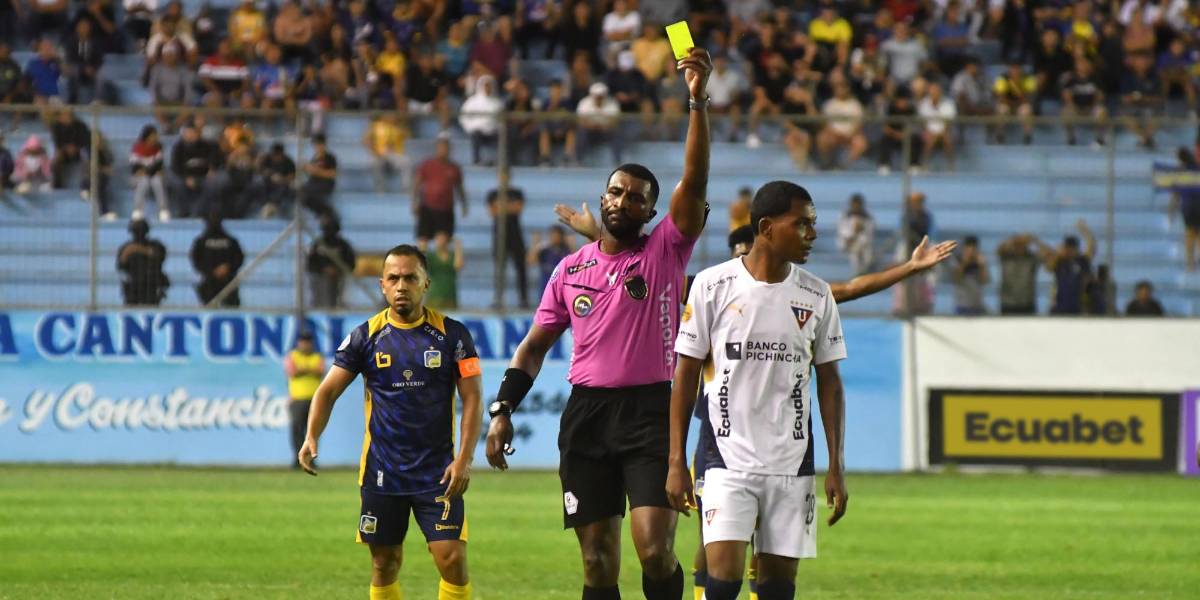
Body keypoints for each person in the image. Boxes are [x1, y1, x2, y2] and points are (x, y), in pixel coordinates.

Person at [484, 47, 713, 600]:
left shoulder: (665, 252)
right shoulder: (571, 269)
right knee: (595, 563)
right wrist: (502, 409)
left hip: (652, 413)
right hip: (587, 416)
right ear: (603, 197)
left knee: (655, 552)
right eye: (615, 190)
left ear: (652, 214)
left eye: (637, 197)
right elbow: (534, 347)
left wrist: (697, 100)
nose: (622, 200)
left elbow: (694, 178)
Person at [665, 181, 848, 600]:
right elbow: (685, 374)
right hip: (725, 461)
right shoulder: (712, 286)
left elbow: (831, 384)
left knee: (778, 590)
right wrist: (676, 460)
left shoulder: (817, 294)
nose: (812, 234)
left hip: (792, 464)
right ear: (766, 227)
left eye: (813, 224)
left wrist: (836, 463)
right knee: (723, 585)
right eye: (801, 224)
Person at [298, 245, 483, 600]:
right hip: (383, 472)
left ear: (425, 282)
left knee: (452, 558)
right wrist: (311, 437)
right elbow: (326, 391)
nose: (402, 286)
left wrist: (464, 459)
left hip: (438, 472)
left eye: (410, 278)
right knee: (384, 562)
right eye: (394, 278)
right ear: (382, 284)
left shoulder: (454, 336)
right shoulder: (365, 336)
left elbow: (472, 398)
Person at [413, 136, 467, 247]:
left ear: (450, 150)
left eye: (446, 148)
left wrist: (464, 204)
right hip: (427, 207)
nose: (443, 150)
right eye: (441, 148)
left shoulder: (454, 168)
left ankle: (438, 264)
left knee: (442, 243)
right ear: (436, 149)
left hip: (445, 209)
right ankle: (422, 263)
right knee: (422, 242)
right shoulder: (427, 165)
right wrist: (415, 202)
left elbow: (459, 187)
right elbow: (417, 184)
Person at [487, 169, 529, 309]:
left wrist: (501, 206)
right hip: (499, 235)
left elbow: (518, 209)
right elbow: (493, 212)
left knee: (521, 268)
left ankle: (523, 299)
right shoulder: (493, 194)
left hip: (515, 234)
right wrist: (508, 207)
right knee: (500, 269)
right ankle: (498, 299)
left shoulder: (517, 193)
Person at [283, 330, 324, 469]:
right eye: (303, 342)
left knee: (312, 431)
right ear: (299, 343)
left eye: (308, 342)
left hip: (314, 400)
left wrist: (303, 369)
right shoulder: (292, 356)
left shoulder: (317, 357)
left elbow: (320, 371)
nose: (305, 345)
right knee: (296, 430)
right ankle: (297, 459)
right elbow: (293, 372)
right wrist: (309, 370)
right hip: (297, 399)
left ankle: (311, 459)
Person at [190, 211, 244, 307]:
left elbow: (239, 257)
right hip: (209, 281)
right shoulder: (202, 241)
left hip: (227, 279)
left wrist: (227, 268)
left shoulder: (230, 240)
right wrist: (211, 271)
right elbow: (195, 258)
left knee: (230, 306)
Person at [1045, 220, 1096, 315]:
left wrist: (1085, 231)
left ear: (1076, 248)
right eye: (1067, 247)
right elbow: (1048, 267)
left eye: (1072, 248)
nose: (1069, 250)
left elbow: (1092, 248)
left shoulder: (1081, 261)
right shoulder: (1059, 261)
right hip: (1059, 306)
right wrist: (1057, 253)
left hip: (1076, 306)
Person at [306, 216, 357, 309]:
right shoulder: (317, 244)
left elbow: (351, 263)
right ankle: (318, 306)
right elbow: (310, 264)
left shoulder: (343, 245)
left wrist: (337, 271)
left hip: (339, 279)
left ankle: (339, 305)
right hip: (320, 279)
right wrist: (324, 269)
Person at [116, 218, 169, 306]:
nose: (138, 234)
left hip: (151, 285)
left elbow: (159, 257)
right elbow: (120, 266)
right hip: (133, 286)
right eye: (135, 231)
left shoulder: (156, 245)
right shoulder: (126, 248)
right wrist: (126, 254)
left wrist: (138, 249)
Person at [996, 233, 1053, 315]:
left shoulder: (1032, 258)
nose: (1020, 247)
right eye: (1018, 245)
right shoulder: (1006, 257)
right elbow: (999, 249)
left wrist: (1035, 241)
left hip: (1027, 303)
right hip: (1008, 303)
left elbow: (1049, 254)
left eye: (1022, 245)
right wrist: (1013, 239)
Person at [130, 125, 171, 223]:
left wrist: (149, 171)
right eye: (153, 135)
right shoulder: (137, 148)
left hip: (153, 175)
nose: (155, 137)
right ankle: (137, 210)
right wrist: (144, 171)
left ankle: (163, 210)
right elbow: (135, 167)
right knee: (143, 181)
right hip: (138, 176)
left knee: (157, 181)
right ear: (147, 136)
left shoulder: (158, 148)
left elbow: (159, 165)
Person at [364, 112, 409, 193]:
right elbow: (366, 141)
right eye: (389, 114)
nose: (391, 116)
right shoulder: (376, 126)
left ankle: (406, 190)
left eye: (393, 114)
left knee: (406, 161)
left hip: (396, 155)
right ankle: (380, 191)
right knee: (374, 163)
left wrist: (401, 123)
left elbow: (408, 136)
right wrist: (374, 152)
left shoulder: (400, 127)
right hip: (380, 154)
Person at [529, 224, 576, 295]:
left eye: (557, 235)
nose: (555, 238)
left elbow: (576, 264)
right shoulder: (544, 251)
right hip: (545, 288)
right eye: (552, 235)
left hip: (562, 288)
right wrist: (535, 244)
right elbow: (530, 261)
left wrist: (572, 245)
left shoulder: (566, 251)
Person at [300, 133, 338, 219]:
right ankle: (322, 213)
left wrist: (315, 171)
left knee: (308, 194)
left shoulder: (330, 157)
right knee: (300, 193)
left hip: (325, 184)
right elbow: (311, 174)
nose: (317, 147)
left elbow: (332, 174)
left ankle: (327, 212)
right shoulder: (314, 158)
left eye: (319, 144)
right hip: (313, 183)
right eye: (315, 144)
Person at [837, 193, 875, 275]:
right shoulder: (845, 217)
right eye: (854, 205)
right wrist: (853, 232)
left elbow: (868, 237)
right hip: (847, 248)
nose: (856, 207)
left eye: (858, 205)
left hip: (863, 250)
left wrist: (858, 231)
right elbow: (842, 233)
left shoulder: (867, 218)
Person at [951, 235, 990, 315]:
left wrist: (982, 266)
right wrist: (965, 262)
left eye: (974, 248)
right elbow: (957, 278)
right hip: (962, 306)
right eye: (968, 247)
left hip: (977, 306)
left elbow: (984, 280)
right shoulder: (958, 261)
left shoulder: (980, 262)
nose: (971, 251)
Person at [425, 233, 463, 311]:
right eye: (438, 239)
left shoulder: (452, 255)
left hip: (450, 294)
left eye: (443, 238)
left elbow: (458, 266)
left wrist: (458, 247)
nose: (441, 241)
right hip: (434, 294)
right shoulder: (431, 256)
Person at [257, 143, 296, 218]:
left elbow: (292, 176)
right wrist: (270, 175)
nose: (276, 158)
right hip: (268, 182)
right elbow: (261, 170)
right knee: (259, 185)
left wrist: (282, 179)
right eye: (274, 156)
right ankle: (266, 205)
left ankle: (272, 205)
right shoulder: (266, 159)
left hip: (282, 184)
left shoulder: (288, 162)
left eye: (278, 156)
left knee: (283, 188)